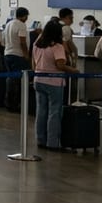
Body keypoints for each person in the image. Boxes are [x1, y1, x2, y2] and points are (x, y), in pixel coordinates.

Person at [33, 21, 78, 151]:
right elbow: (60, 65)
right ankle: (53, 142)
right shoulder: (57, 46)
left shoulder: (37, 45)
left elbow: (33, 63)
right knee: (54, 112)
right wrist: (73, 70)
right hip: (54, 82)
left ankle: (40, 139)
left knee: (41, 111)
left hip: (39, 79)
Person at [3, 7, 31, 96]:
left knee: (10, 78)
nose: (27, 19)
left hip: (7, 53)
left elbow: (3, 40)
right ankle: (17, 102)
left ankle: (9, 101)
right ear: (24, 16)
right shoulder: (21, 25)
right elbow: (22, 42)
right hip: (18, 55)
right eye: (26, 16)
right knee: (18, 81)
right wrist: (26, 55)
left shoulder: (9, 24)